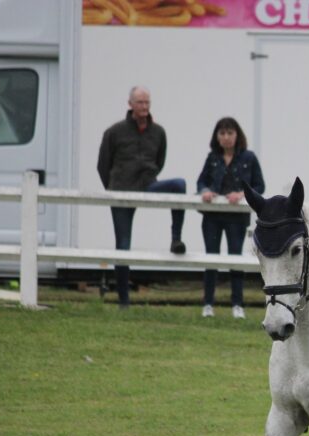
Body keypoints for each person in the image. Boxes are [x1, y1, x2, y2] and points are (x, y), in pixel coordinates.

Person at [97, 86, 187, 307]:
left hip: (148, 185)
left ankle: (176, 239)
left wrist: (149, 176)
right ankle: (124, 301)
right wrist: (114, 189)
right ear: (130, 104)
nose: (144, 106)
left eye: (147, 102)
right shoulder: (114, 132)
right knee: (123, 245)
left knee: (179, 185)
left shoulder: (158, 132)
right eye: (139, 102)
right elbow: (103, 165)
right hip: (122, 190)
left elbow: (159, 161)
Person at [196, 117, 265, 318]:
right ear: (217, 137)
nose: (226, 137)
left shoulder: (249, 158)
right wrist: (206, 191)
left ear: (237, 135)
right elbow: (201, 182)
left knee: (235, 259)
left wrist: (242, 194)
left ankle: (237, 304)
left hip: (236, 216)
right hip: (212, 216)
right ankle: (208, 304)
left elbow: (260, 186)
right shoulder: (212, 158)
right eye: (222, 133)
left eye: (230, 133)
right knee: (211, 258)